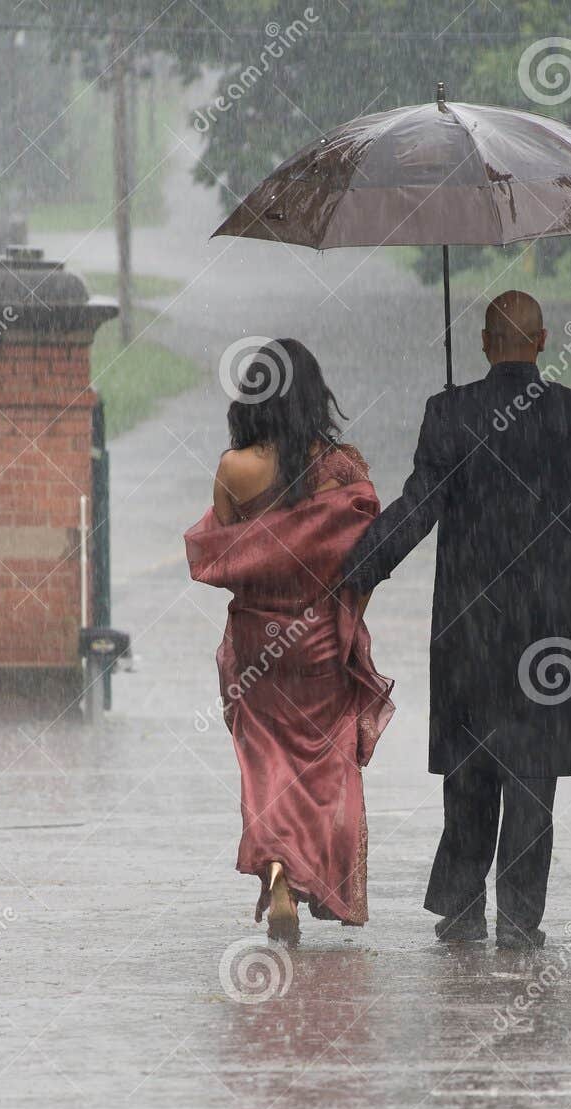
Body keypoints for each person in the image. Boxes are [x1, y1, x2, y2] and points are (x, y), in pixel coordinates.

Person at [343, 291, 571, 950]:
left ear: (486, 343)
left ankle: (461, 906)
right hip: (545, 623)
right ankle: (520, 920)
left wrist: (358, 569)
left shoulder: (450, 413)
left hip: (466, 620)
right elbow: (570, 483)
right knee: (532, 772)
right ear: (542, 340)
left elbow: (418, 506)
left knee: (469, 770)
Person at [185, 338, 393, 943]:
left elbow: (228, 555)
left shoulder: (234, 469)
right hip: (320, 638)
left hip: (257, 641)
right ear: (312, 395)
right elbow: (365, 563)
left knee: (265, 763)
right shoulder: (342, 471)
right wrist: (344, 616)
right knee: (328, 765)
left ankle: (279, 877)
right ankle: (314, 871)